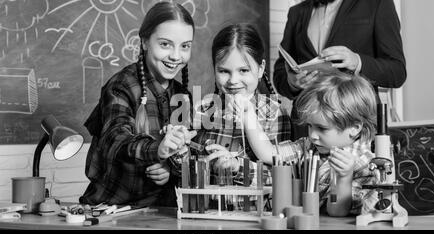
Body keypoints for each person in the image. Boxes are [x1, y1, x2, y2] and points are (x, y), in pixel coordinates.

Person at [80, 2, 196, 207]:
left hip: (160, 213)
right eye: (165, 44)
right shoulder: (122, 86)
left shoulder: (182, 95)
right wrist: (157, 150)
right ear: (144, 42)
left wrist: (171, 166)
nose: (176, 56)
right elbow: (115, 139)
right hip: (113, 210)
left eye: (185, 46)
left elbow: (187, 152)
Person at [242, 72, 379, 216]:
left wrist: (344, 178)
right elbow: (267, 153)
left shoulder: (366, 165)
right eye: (309, 126)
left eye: (322, 128)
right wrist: (248, 114)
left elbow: (337, 211)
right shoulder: (308, 147)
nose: (312, 135)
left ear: (354, 128)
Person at [191, 24, 291, 210]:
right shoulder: (202, 109)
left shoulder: (275, 113)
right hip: (208, 213)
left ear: (260, 69)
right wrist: (176, 148)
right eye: (224, 71)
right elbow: (188, 168)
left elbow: (282, 176)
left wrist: (238, 167)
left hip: (255, 216)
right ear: (214, 69)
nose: (233, 80)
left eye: (243, 70)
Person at [273, 0, 407, 138]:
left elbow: (397, 72)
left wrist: (358, 62)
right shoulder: (296, 12)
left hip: (354, 124)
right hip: (306, 128)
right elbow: (279, 74)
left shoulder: (378, 4)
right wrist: (292, 83)